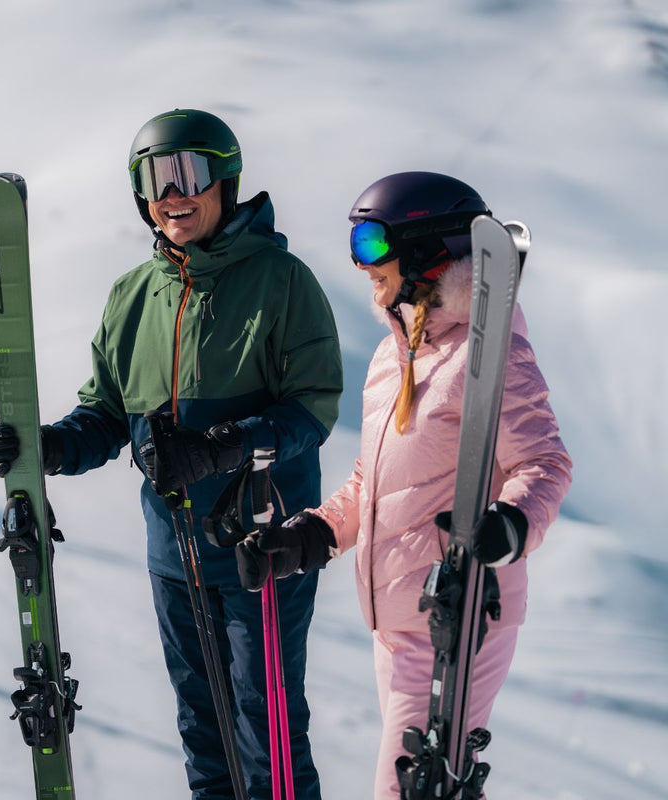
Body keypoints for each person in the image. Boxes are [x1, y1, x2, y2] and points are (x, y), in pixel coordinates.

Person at [0, 108, 342, 800]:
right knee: (201, 730)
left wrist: (222, 448)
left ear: (225, 180)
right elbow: (105, 415)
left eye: (188, 173)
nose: (172, 193)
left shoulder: (281, 281)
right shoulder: (133, 296)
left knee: (264, 725)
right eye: (154, 179)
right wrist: (47, 446)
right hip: (173, 554)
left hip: (259, 546)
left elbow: (312, 408)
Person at [237, 172, 573, 799]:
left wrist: (510, 525)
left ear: (425, 250)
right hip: (397, 617)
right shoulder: (395, 357)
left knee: (406, 789)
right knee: (427, 787)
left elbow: (545, 463)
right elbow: (372, 483)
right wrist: (311, 536)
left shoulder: (489, 355)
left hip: (461, 613)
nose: (361, 264)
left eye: (372, 243)